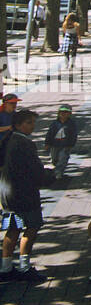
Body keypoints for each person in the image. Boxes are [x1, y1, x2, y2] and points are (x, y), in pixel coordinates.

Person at [0, 109, 49, 281]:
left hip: (6, 191)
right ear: (18, 125)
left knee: (12, 228)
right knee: (32, 227)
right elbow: (35, 170)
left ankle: (5, 268)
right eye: (29, 122)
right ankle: (24, 267)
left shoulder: (8, 139)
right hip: (23, 194)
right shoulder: (25, 143)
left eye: (33, 122)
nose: (32, 126)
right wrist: (49, 177)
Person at [43, 104, 78, 180]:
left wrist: (71, 144)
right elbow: (50, 133)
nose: (63, 114)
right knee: (54, 159)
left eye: (65, 112)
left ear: (69, 114)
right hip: (54, 145)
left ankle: (59, 172)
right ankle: (57, 168)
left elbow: (73, 135)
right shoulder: (55, 123)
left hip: (65, 145)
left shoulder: (71, 124)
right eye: (61, 112)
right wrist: (47, 143)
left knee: (63, 158)